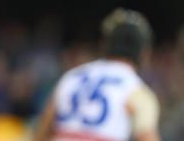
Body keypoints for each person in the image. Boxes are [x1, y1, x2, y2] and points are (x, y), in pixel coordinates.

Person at [34, 8, 161, 141]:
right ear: (144, 53)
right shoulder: (136, 90)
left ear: (104, 44)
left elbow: (42, 132)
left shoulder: (73, 77)